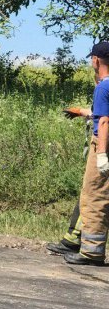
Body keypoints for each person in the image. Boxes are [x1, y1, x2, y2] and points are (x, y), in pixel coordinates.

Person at [64, 42, 109, 265]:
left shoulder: (103, 87)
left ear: (96, 60)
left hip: (103, 144)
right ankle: (75, 241)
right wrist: (82, 112)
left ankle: (92, 252)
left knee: (95, 196)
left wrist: (101, 154)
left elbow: (105, 120)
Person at [46, 106, 92, 256]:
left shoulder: (105, 87)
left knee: (90, 196)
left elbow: (103, 117)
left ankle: (73, 240)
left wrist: (82, 112)